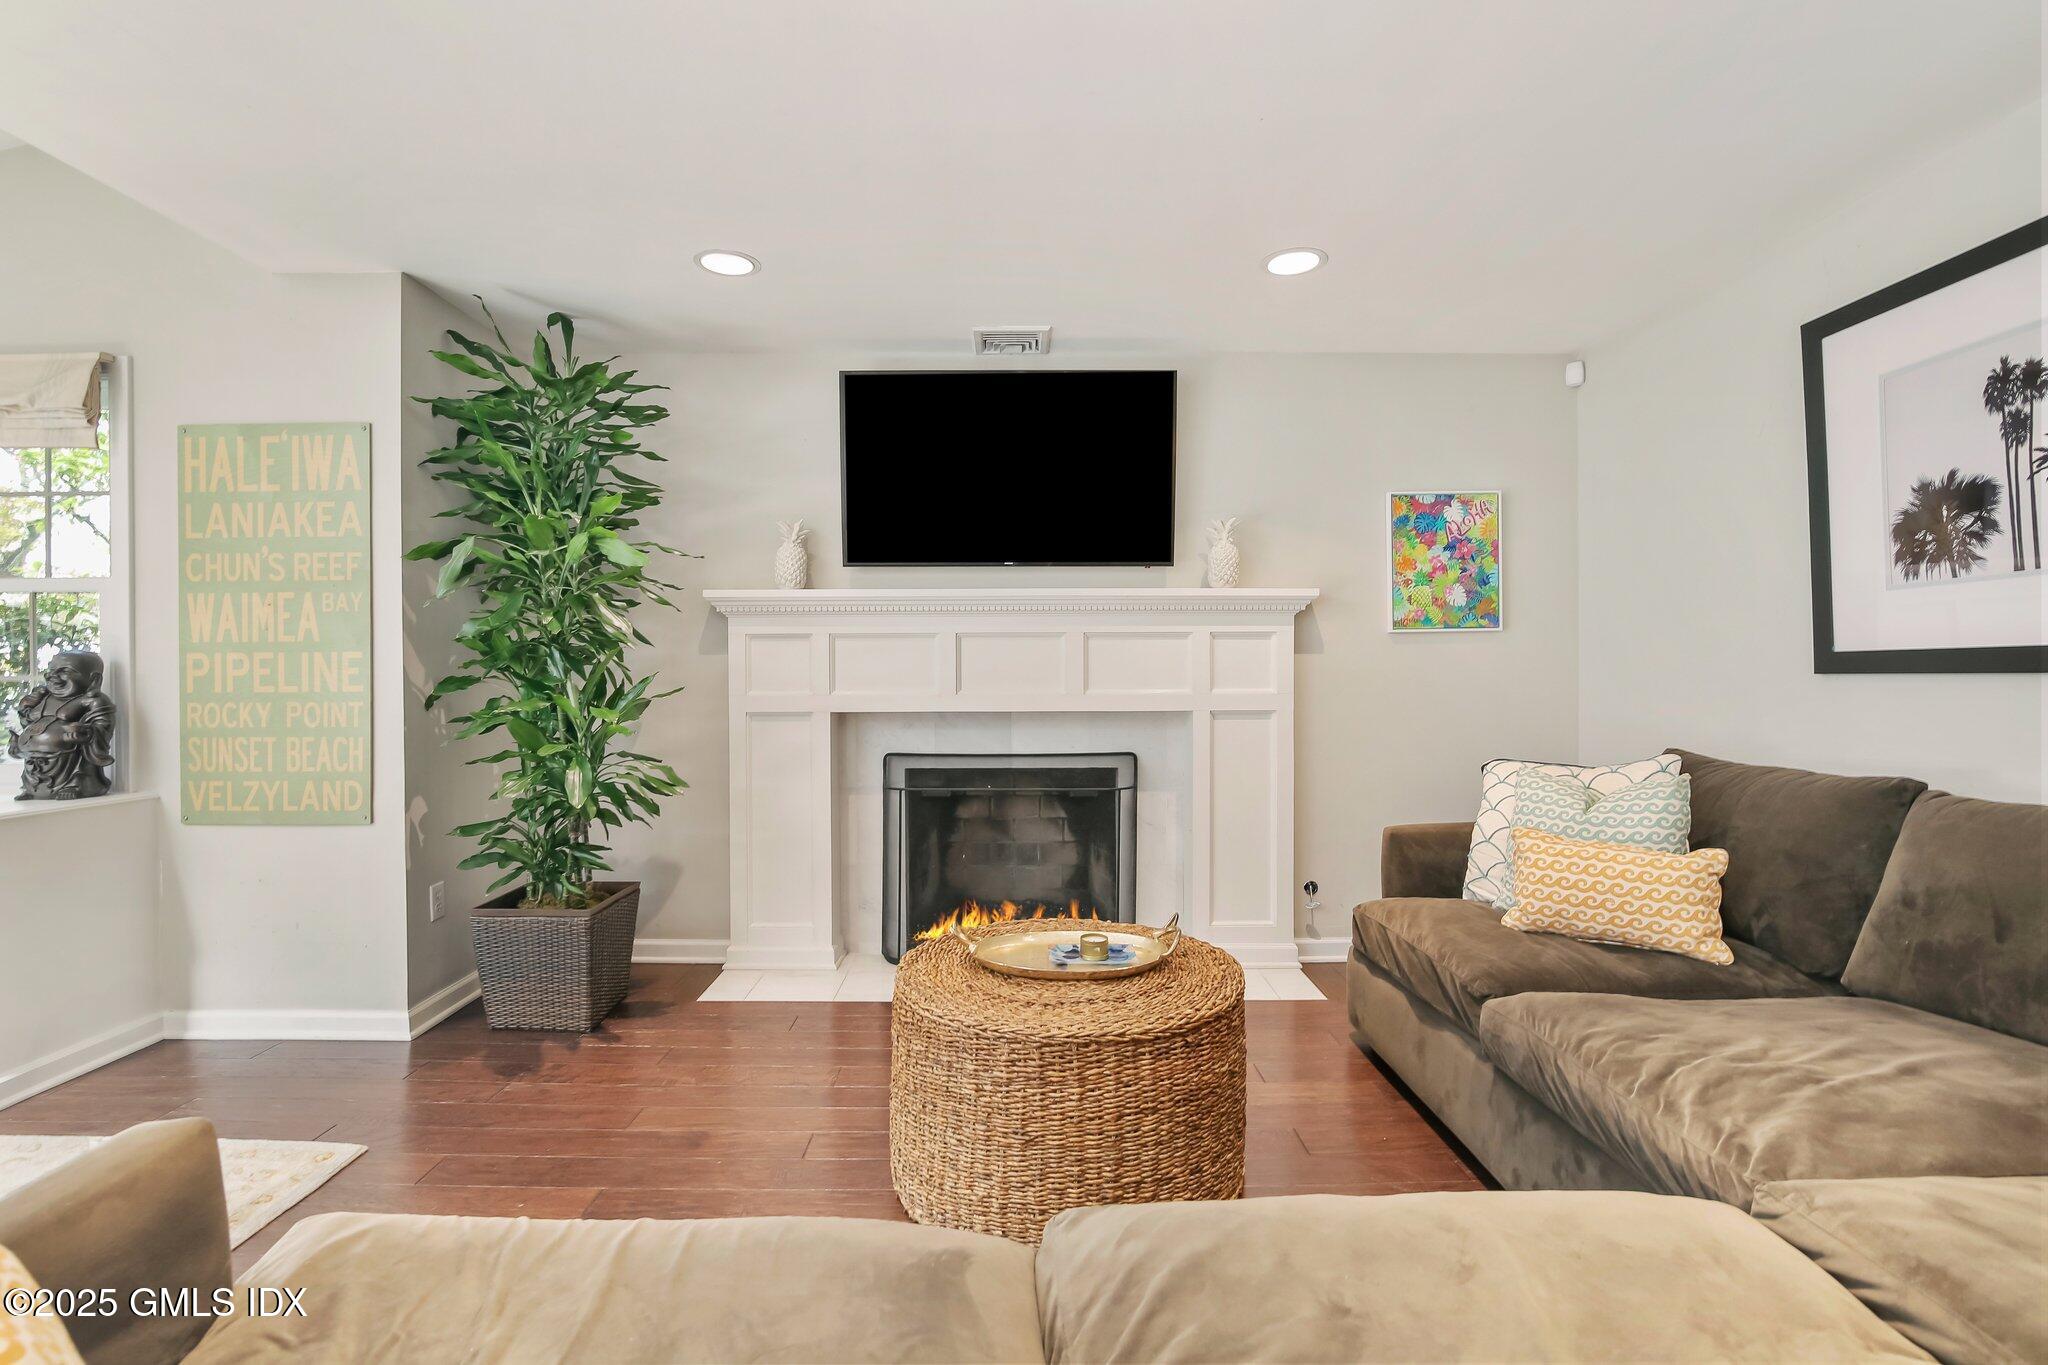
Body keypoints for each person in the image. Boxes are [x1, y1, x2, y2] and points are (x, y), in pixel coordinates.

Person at [8, 649, 116, 800]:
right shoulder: (44, 697)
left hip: (70, 761)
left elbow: (103, 726)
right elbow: (28, 720)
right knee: (32, 770)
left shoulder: (93, 701)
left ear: (94, 680)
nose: (53, 676)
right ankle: (32, 788)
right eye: (51, 670)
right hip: (33, 757)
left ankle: (74, 786)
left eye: (64, 671)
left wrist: (87, 732)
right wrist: (19, 740)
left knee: (78, 767)